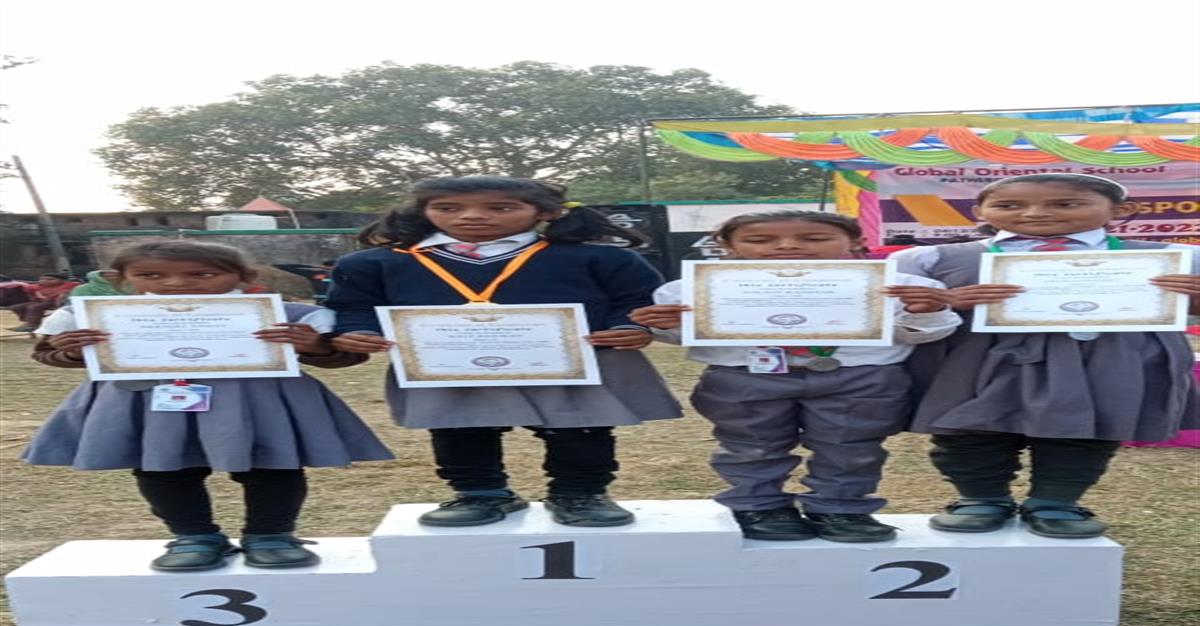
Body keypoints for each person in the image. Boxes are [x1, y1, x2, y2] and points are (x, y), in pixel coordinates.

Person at [327, 176, 682, 528]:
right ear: (423, 211)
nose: (471, 216)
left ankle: (580, 493)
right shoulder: (374, 263)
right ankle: (481, 494)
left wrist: (630, 327)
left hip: (578, 363)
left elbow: (637, 300)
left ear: (547, 212)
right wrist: (358, 332)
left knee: (581, 430)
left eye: (501, 208)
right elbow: (354, 307)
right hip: (448, 366)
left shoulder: (601, 258)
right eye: (447, 208)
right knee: (460, 429)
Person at [23, 240, 394, 571]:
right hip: (149, 402)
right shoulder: (94, 314)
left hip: (258, 402)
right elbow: (47, 353)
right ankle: (194, 536)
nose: (175, 283)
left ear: (244, 277)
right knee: (162, 468)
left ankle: (271, 535)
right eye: (150, 275)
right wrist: (72, 350)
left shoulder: (286, 314)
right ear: (123, 278)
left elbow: (341, 355)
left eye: (202, 274)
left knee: (273, 464)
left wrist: (314, 345)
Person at [893, 173, 1199, 538]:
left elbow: (1191, 310)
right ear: (979, 211)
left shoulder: (1175, 258)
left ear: (1120, 210)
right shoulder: (929, 259)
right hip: (976, 358)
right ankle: (980, 498)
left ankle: (1055, 502)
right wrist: (944, 301)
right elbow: (897, 314)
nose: (1035, 214)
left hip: (1107, 357)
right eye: (1009, 205)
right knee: (967, 426)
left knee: (1085, 427)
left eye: (1066, 204)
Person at [630, 210, 960, 542]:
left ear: (855, 241)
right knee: (751, 444)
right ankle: (759, 506)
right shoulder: (691, 289)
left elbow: (922, 334)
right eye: (760, 240)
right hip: (744, 375)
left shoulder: (901, 286)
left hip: (860, 377)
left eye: (815, 238)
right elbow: (681, 336)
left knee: (851, 446)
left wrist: (926, 313)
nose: (787, 246)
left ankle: (841, 508)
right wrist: (666, 326)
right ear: (727, 245)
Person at [6, 273, 80, 332]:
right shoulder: (36, 286)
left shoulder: (69, 285)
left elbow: (66, 294)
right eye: (41, 279)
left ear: (62, 280)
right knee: (16, 307)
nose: (44, 281)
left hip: (56, 302)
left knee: (34, 307)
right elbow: (28, 290)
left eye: (50, 279)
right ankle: (29, 321)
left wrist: (63, 296)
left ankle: (32, 325)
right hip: (41, 301)